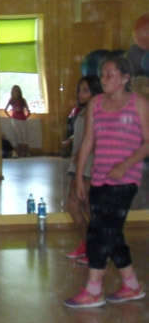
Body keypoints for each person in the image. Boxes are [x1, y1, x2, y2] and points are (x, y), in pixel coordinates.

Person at [65, 56, 148, 308]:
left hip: (126, 179)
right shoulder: (96, 104)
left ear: (125, 78)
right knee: (112, 232)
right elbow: (88, 141)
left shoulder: (139, 104)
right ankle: (131, 285)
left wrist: (125, 165)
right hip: (100, 177)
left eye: (110, 74)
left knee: (98, 231)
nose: (104, 79)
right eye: (102, 75)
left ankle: (94, 289)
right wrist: (79, 177)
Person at [64, 76, 102, 263]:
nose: (80, 94)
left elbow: (93, 139)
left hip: (86, 165)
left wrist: (79, 156)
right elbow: (82, 134)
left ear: (95, 92)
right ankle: (88, 244)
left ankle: (93, 247)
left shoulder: (94, 112)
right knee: (82, 206)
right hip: (79, 164)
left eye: (85, 90)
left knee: (75, 204)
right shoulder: (83, 111)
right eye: (79, 90)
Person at [4, 84, 31, 157]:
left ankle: (26, 153)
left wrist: (26, 117)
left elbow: (29, 111)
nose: (16, 92)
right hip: (15, 120)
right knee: (18, 137)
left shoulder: (23, 100)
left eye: (17, 91)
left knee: (24, 137)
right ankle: (20, 153)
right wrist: (11, 117)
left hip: (23, 120)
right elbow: (5, 110)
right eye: (14, 91)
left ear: (19, 91)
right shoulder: (11, 100)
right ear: (12, 92)